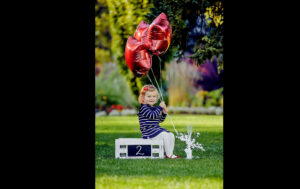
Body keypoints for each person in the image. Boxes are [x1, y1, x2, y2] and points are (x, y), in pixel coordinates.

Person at [137, 84, 180, 159]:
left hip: (155, 130)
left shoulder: (153, 108)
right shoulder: (143, 108)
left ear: (156, 98)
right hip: (148, 132)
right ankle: (169, 155)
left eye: (154, 96)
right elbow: (152, 115)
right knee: (164, 135)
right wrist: (160, 107)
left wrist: (164, 113)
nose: (151, 98)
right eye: (149, 96)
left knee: (171, 135)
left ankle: (169, 153)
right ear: (143, 98)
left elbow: (159, 120)